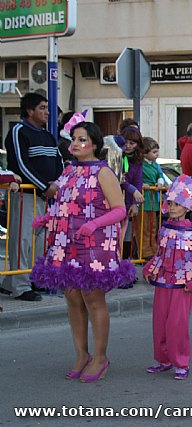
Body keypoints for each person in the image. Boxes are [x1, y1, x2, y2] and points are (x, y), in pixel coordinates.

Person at [30, 121, 136, 381]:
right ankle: (81, 354)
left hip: (95, 246)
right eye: (73, 139)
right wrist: (46, 219)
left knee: (93, 299)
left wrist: (93, 224)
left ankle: (100, 357)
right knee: (72, 298)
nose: (75, 144)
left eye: (82, 140)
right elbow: (65, 204)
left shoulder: (103, 172)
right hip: (67, 244)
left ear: (95, 145)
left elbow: (119, 209)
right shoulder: (68, 171)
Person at [143, 174, 192, 380]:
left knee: (177, 325)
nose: (171, 207)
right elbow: (160, 254)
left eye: (177, 204)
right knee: (160, 323)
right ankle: (164, 359)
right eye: (170, 203)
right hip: (163, 284)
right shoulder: (164, 229)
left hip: (182, 286)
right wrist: (149, 268)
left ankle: (181, 362)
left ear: (187, 207)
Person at [2, 93, 63, 302]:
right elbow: (20, 163)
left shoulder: (48, 135)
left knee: (40, 241)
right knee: (23, 240)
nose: (47, 112)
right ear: (30, 111)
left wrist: (58, 184)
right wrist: (44, 186)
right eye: (43, 108)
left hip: (46, 197)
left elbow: (59, 161)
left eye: (47, 108)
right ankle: (19, 286)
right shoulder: (18, 131)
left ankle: (32, 279)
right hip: (26, 195)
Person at [120, 127, 144, 263]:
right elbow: (118, 179)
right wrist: (133, 190)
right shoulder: (116, 156)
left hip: (128, 204)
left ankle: (124, 268)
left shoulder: (138, 161)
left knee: (127, 238)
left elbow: (138, 182)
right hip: (113, 203)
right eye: (126, 142)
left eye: (132, 143)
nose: (128, 146)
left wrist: (136, 204)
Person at [139, 137, 165, 259]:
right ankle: (144, 251)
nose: (157, 154)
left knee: (153, 227)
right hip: (143, 201)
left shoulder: (155, 165)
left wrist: (160, 182)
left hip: (153, 200)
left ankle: (153, 249)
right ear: (144, 153)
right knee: (143, 228)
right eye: (154, 152)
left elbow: (160, 175)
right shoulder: (139, 165)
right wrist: (141, 184)